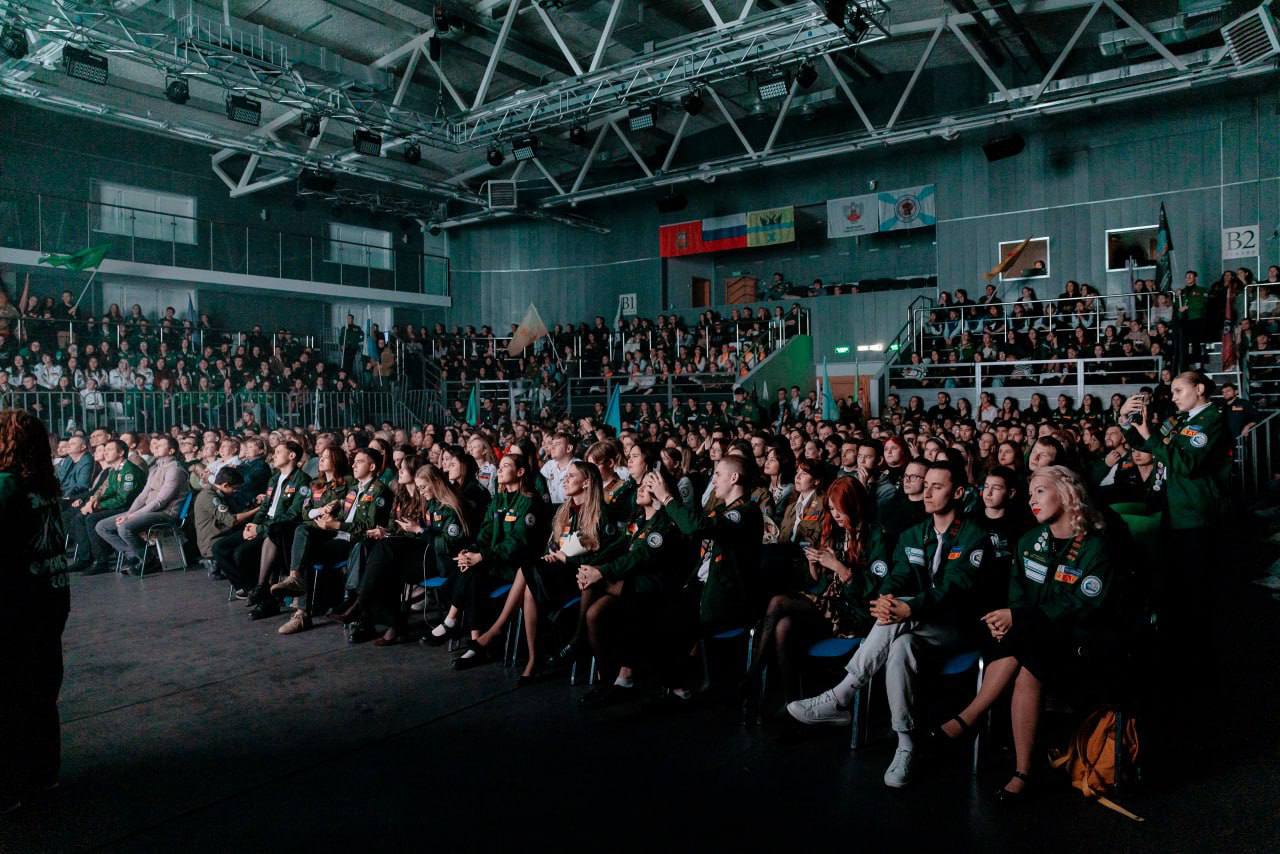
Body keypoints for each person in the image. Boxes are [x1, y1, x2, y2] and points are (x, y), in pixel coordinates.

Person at [785, 460, 989, 789]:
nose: (927, 492)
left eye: (937, 487)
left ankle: (840, 695)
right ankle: (906, 745)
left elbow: (955, 589)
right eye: (926, 486)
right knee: (900, 648)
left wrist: (908, 607)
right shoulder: (914, 534)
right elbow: (897, 576)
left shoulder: (975, 536)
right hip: (912, 629)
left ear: (958, 493)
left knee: (896, 620)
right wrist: (887, 597)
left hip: (954, 628)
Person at [931, 466, 1115, 801]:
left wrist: (1017, 618)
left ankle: (971, 718)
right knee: (1026, 661)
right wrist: (1009, 618)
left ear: (1067, 493)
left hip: (1078, 642)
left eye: (1040, 491)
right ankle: (1022, 771)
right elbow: (1017, 594)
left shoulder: (1096, 547)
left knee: (1028, 651)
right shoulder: (1030, 541)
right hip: (1030, 639)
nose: (1032, 500)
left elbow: (1081, 606)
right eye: (1030, 494)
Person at [0, 409, 70, 815]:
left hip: (14, 604)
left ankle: (9, 786)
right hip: (50, 596)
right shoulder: (43, 483)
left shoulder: (6, 485)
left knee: (9, 695)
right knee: (41, 691)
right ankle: (43, 774)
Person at [573, 466, 685, 709]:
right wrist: (591, 566)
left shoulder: (664, 525)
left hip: (652, 590)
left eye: (648, 486)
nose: (640, 489)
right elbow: (618, 546)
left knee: (597, 591)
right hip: (629, 584)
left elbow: (639, 558)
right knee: (594, 614)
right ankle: (607, 679)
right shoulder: (639, 519)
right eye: (641, 485)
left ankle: (585, 649)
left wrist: (601, 572)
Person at [226, 441, 311, 618]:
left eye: (279, 451)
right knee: (222, 548)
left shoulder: (302, 480)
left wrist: (260, 529)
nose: (274, 455)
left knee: (242, 554)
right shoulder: (274, 478)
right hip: (265, 524)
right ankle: (258, 592)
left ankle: (263, 597)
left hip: (281, 529)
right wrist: (253, 525)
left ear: (291, 456)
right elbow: (265, 506)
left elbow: (293, 514)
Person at [93, 435, 189, 573]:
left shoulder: (175, 470)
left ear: (171, 451)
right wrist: (129, 513)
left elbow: (161, 501)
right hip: (148, 511)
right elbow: (142, 497)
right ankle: (134, 556)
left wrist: (132, 516)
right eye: (155, 444)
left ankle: (148, 561)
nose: (155, 446)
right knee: (102, 526)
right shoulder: (155, 468)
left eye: (161, 445)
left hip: (165, 513)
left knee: (125, 527)